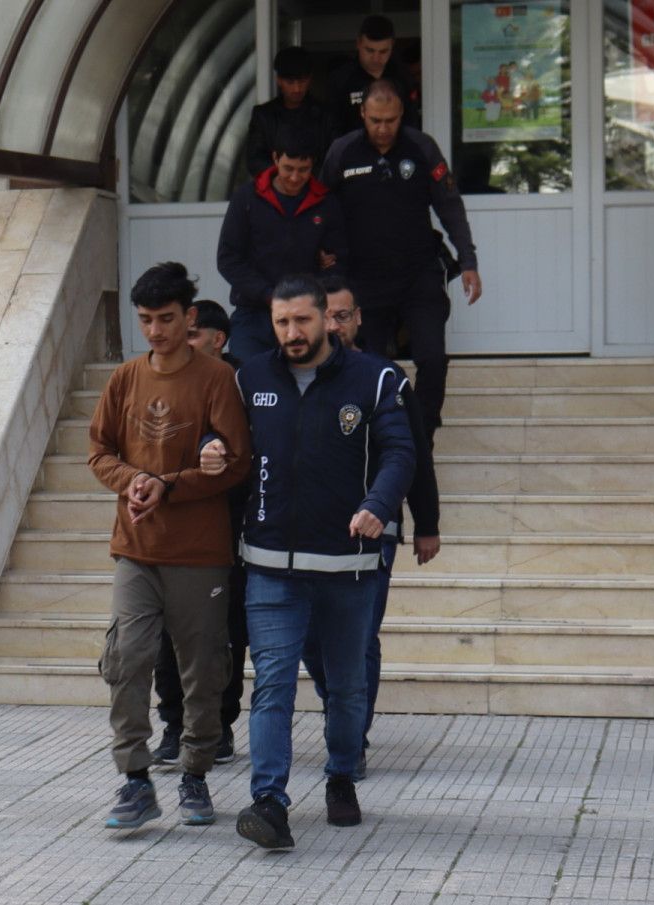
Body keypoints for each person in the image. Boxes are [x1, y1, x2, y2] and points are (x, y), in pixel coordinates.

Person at [228, 274, 415, 849]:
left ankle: (340, 777)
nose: (292, 332)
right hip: (270, 566)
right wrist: (211, 447)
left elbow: (401, 451)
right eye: (281, 322)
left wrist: (378, 505)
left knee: (347, 686)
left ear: (326, 320)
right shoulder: (250, 377)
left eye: (302, 320)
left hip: (347, 567)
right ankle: (269, 802)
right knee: (273, 684)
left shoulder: (375, 379)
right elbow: (228, 441)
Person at [89, 262, 251, 831]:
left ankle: (195, 774)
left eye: (165, 319)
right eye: (145, 320)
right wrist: (132, 479)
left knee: (202, 670)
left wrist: (169, 485)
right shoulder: (124, 379)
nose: (154, 330)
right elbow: (99, 451)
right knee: (127, 659)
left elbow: (236, 463)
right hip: (135, 548)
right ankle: (135, 779)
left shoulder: (217, 379)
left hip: (200, 554)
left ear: (189, 318)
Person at [300, 275, 440, 781]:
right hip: (305, 532)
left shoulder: (385, 379)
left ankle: (351, 736)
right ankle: (342, 706)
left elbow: (413, 453)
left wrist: (427, 522)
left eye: (343, 316)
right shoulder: (290, 377)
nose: (334, 326)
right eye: (325, 317)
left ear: (358, 318)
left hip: (373, 530)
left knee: (358, 637)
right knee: (309, 639)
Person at [321, 79, 482, 444]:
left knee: (433, 359)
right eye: (375, 120)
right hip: (364, 279)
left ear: (401, 115)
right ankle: (376, 439)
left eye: (390, 120)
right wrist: (323, 253)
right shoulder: (342, 152)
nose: (383, 128)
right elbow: (321, 206)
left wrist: (468, 260)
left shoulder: (421, 147)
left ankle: (422, 438)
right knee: (368, 364)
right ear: (362, 113)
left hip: (418, 273)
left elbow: (449, 206)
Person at [152, 298, 248, 767]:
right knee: (168, 633)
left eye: (192, 334)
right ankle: (174, 726)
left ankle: (219, 727)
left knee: (222, 634)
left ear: (218, 339)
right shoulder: (164, 381)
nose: (182, 342)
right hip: (172, 528)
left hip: (227, 530)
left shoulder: (244, 384)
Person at [218, 126, 347, 363]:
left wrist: (309, 294)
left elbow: (339, 261)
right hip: (254, 313)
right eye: (288, 168)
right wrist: (270, 295)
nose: (295, 177)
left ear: (313, 164)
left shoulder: (326, 203)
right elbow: (228, 259)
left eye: (303, 170)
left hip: (308, 314)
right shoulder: (247, 198)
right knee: (248, 375)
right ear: (275, 158)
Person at [245, 46, 332, 178]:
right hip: (274, 187)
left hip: (315, 187)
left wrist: (304, 177)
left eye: (302, 81)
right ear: (279, 80)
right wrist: (285, 178)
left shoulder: (326, 115)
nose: (297, 88)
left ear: (310, 79)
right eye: (290, 82)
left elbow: (332, 159)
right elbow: (255, 160)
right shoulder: (264, 116)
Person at [326, 15, 419, 138]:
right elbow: (333, 128)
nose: (376, 58)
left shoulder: (403, 77)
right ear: (358, 43)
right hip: (353, 148)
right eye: (370, 50)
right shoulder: (341, 79)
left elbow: (411, 124)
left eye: (383, 51)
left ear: (392, 45)